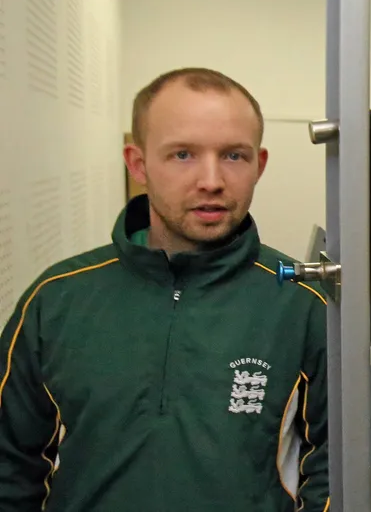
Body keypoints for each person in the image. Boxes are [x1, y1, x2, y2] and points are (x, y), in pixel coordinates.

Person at [0, 68, 330, 511]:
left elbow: (331, 464)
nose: (211, 180)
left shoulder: (302, 301)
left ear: (260, 164)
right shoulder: (56, 299)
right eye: (182, 155)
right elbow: (11, 466)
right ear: (138, 163)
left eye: (234, 156)